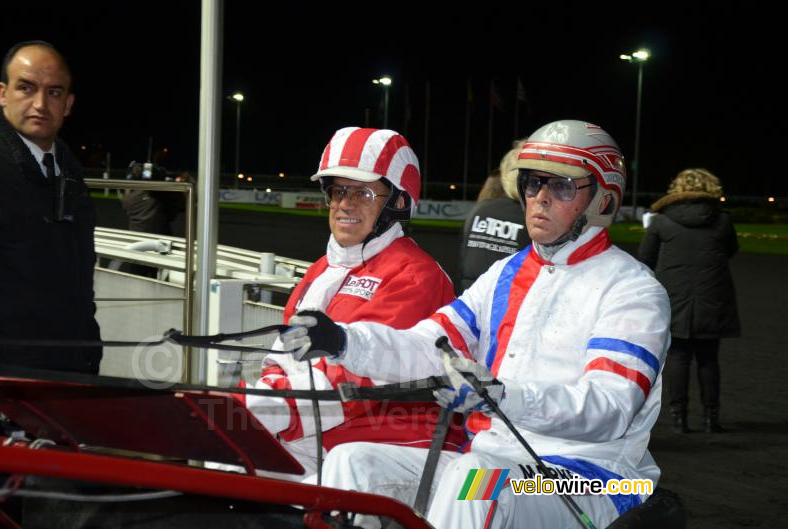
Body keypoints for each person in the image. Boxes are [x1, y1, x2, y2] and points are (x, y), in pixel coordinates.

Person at [280, 120, 671, 528]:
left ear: (603, 201)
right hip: (492, 461)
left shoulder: (633, 290)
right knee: (352, 461)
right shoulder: (504, 274)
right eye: (532, 183)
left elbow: (609, 408)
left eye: (561, 187)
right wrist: (344, 341)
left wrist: (500, 396)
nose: (540, 198)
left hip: (594, 478)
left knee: (475, 480)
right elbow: (429, 345)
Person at [242, 127, 460, 481]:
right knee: (228, 460)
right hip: (317, 437)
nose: (345, 203)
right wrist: (257, 403)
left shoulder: (416, 275)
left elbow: (360, 380)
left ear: (397, 203)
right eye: (339, 191)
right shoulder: (321, 269)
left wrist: (266, 409)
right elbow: (282, 358)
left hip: (391, 444)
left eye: (363, 193)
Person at [0, 41, 101, 376]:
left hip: (70, 373)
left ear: (68, 104)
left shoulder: (69, 172)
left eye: (53, 92)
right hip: (7, 380)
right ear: (3, 94)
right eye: (26, 88)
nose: (40, 104)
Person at [639, 168, 739, 434]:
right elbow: (731, 250)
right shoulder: (722, 220)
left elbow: (645, 258)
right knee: (709, 359)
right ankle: (710, 418)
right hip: (712, 297)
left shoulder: (661, 221)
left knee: (678, 357)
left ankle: (679, 418)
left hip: (674, 298)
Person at [459, 140, 531, 292]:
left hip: (469, 297)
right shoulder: (532, 218)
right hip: (509, 300)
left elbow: (465, 259)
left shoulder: (479, 210)